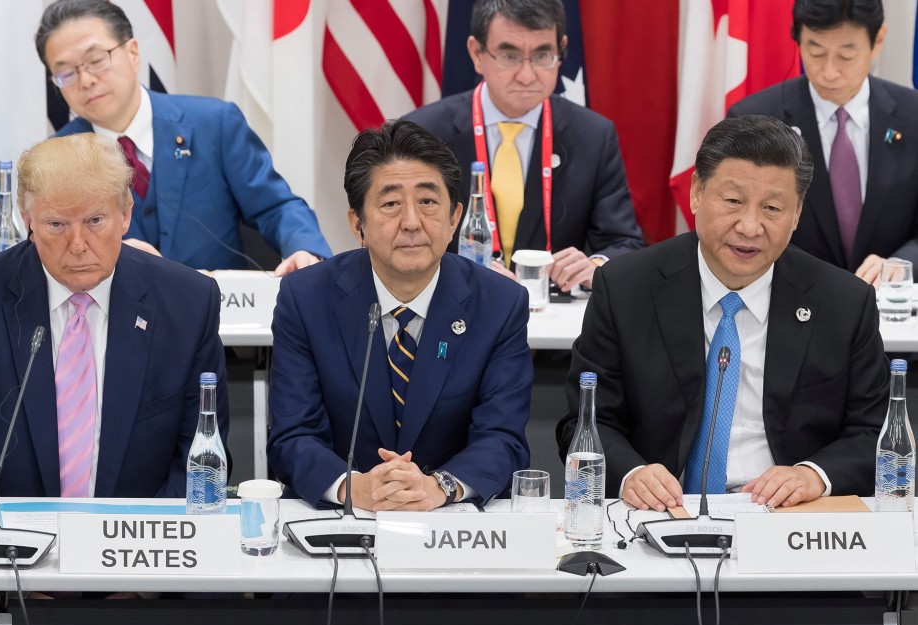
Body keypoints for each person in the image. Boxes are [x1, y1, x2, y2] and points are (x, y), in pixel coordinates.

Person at [557, 115, 889, 512]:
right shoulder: (625, 288)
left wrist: (812, 474)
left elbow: (874, 432)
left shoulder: (844, 303)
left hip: (788, 517)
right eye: (733, 202)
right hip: (661, 512)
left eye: (772, 208)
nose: (750, 227)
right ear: (697, 193)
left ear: (797, 213)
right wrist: (632, 474)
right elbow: (584, 421)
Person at [0, 133, 228, 498]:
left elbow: (201, 463)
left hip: (136, 545)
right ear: (28, 220)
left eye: (94, 220)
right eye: (57, 225)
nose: (77, 245)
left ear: (125, 215)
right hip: (6, 543)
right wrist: (0, 540)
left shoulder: (188, 304)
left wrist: (130, 542)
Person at [268, 120, 532, 510]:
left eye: (428, 202)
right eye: (391, 204)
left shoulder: (499, 303)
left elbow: (503, 437)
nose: (411, 222)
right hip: (343, 524)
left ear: (454, 217)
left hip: (452, 528)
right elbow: (293, 436)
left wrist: (438, 486)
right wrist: (352, 488)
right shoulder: (306, 298)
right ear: (357, 224)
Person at [35, 0, 332, 273]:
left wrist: (304, 249)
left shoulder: (214, 124)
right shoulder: (55, 159)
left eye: (96, 59)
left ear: (133, 53)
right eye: (66, 73)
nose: (86, 80)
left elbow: (276, 206)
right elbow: (44, 251)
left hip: (222, 316)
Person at [403, 0, 644, 290]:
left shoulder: (593, 136)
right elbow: (401, 238)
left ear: (561, 48)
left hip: (554, 319)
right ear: (477, 53)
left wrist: (597, 266)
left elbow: (624, 242)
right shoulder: (423, 133)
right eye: (509, 56)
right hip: (453, 308)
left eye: (543, 55)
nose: (527, 75)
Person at [728, 0, 918, 284]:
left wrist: (901, 265)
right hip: (791, 305)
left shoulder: (912, 114)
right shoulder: (754, 119)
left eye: (846, 55)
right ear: (798, 37)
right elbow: (739, 229)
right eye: (815, 51)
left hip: (893, 311)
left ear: (877, 40)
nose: (829, 71)